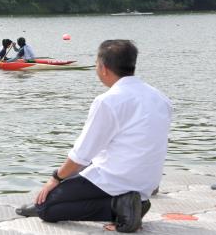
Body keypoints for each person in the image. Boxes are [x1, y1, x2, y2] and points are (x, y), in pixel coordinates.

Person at [16, 40, 172, 233]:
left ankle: (120, 209)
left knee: (46, 207)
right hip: (146, 182)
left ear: (104, 68)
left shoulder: (108, 101)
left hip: (117, 178)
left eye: (96, 65)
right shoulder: (160, 97)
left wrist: (55, 178)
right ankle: (132, 203)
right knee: (75, 183)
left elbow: (81, 155)